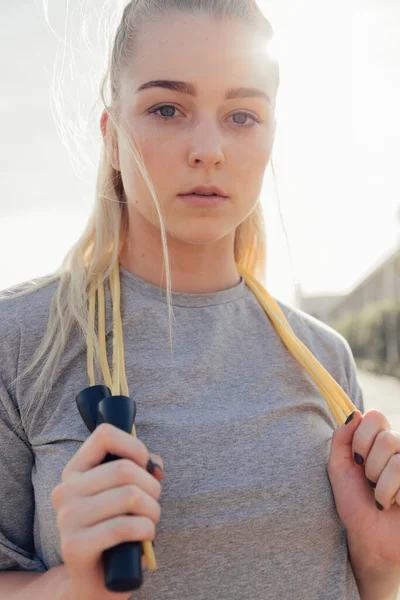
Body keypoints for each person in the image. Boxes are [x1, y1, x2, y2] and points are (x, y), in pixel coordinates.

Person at [0, 1, 371, 599]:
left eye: (242, 115)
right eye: (166, 109)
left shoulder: (325, 358)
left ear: (271, 136)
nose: (208, 149)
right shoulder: (19, 341)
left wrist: (379, 565)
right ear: (113, 138)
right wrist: (73, 586)